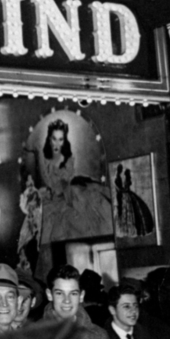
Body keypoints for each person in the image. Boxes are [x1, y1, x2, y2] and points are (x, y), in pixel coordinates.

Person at [36, 119, 112, 279]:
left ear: (64, 140)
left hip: (69, 196)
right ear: (49, 139)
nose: (57, 142)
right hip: (54, 199)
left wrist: (62, 187)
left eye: (60, 139)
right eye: (54, 138)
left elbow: (64, 181)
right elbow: (50, 182)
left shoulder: (68, 158)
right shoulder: (46, 158)